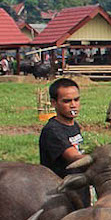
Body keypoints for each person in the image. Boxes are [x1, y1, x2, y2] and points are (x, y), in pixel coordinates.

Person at [39, 77, 90, 207]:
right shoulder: (52, 131)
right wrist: (100, 156)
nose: (73, 105)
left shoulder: (74, 125)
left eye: (76, 100)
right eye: (67, 101)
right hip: (62, 195)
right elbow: (73, 157)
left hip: (79, 187)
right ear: (54, 103)